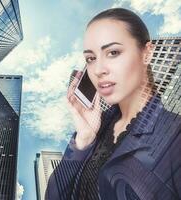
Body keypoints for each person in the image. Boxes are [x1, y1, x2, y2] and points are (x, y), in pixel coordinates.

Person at [45, 8, 181, 200]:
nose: (99, 70)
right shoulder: (99, 130)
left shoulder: (175, 135)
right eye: (91, 59)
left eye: (113, 52)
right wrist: (83, 140)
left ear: (147, 53)